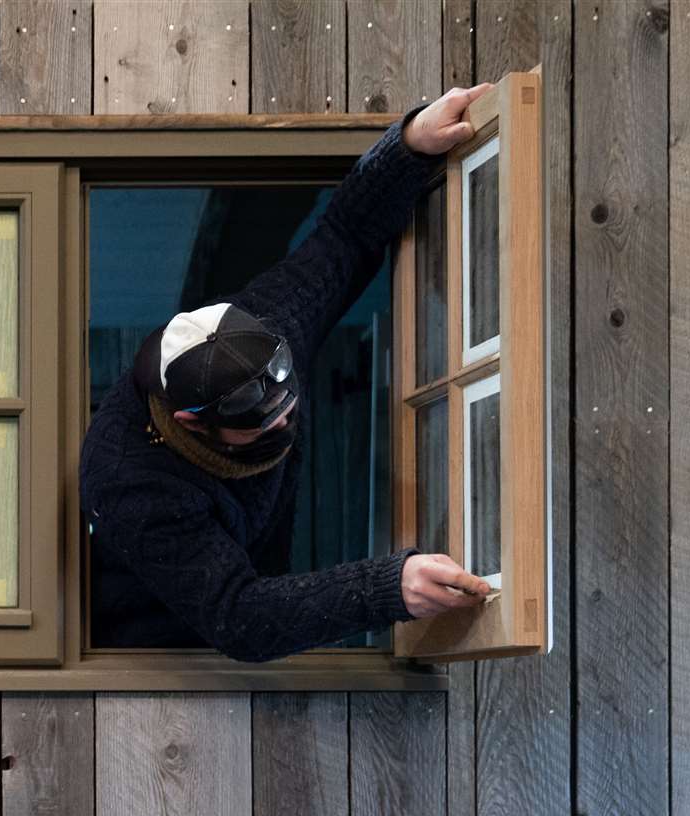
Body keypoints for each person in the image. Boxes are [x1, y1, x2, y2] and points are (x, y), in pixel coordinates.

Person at [79, 85, 496, 662]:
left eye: (288, 407)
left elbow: (344, 237)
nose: (285, 426)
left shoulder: (266, 328)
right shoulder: (131, 480)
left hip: (257, 562)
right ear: (192, 423)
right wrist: (390, 588)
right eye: (262, 425)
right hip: (161, 638)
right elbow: (240, 617)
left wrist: (407, 145)